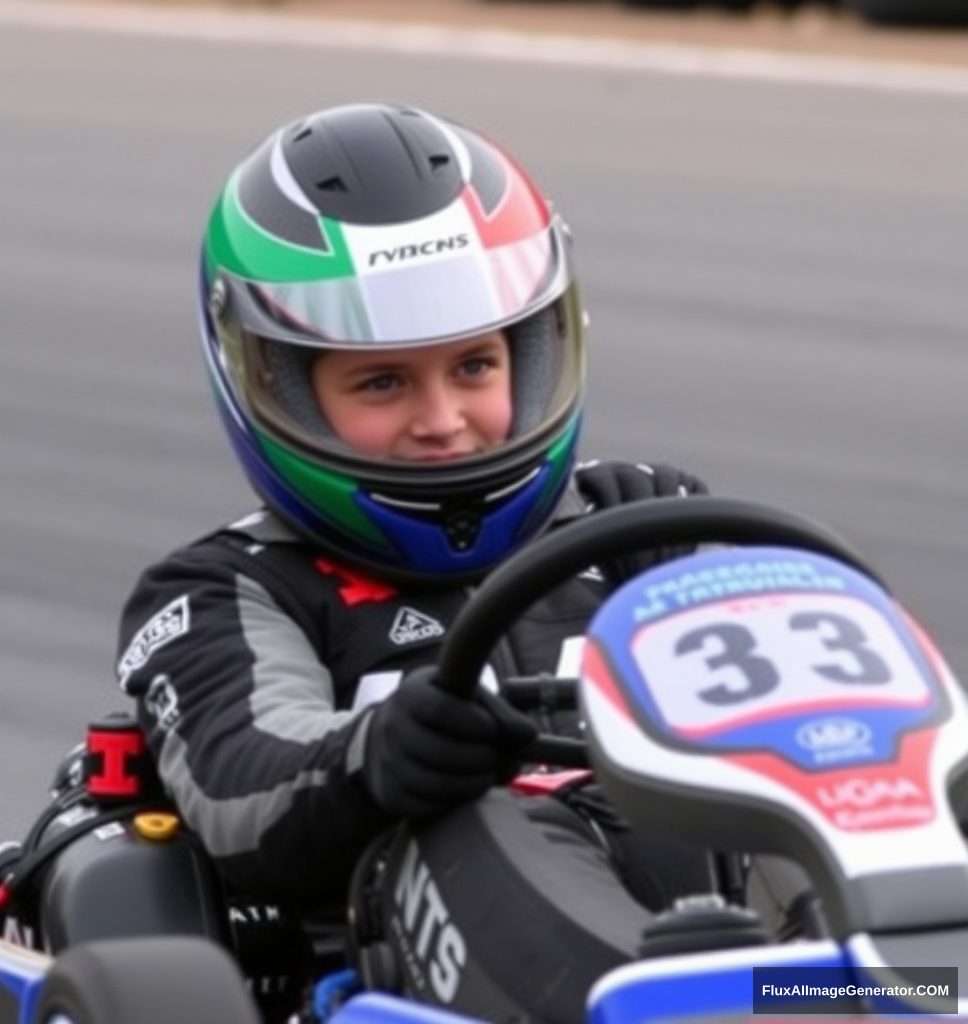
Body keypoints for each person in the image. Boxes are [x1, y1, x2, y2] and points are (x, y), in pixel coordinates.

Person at [114, 102, 721, 1022]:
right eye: (384, 381)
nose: (443, 421)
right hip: (407, 979)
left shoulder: (643, 521)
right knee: (498, 818)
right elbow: (240, 781)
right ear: (275, 386)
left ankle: (887, 988)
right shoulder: (229, 588)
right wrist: (380, 753)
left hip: (756, 952)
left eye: (474, 367)